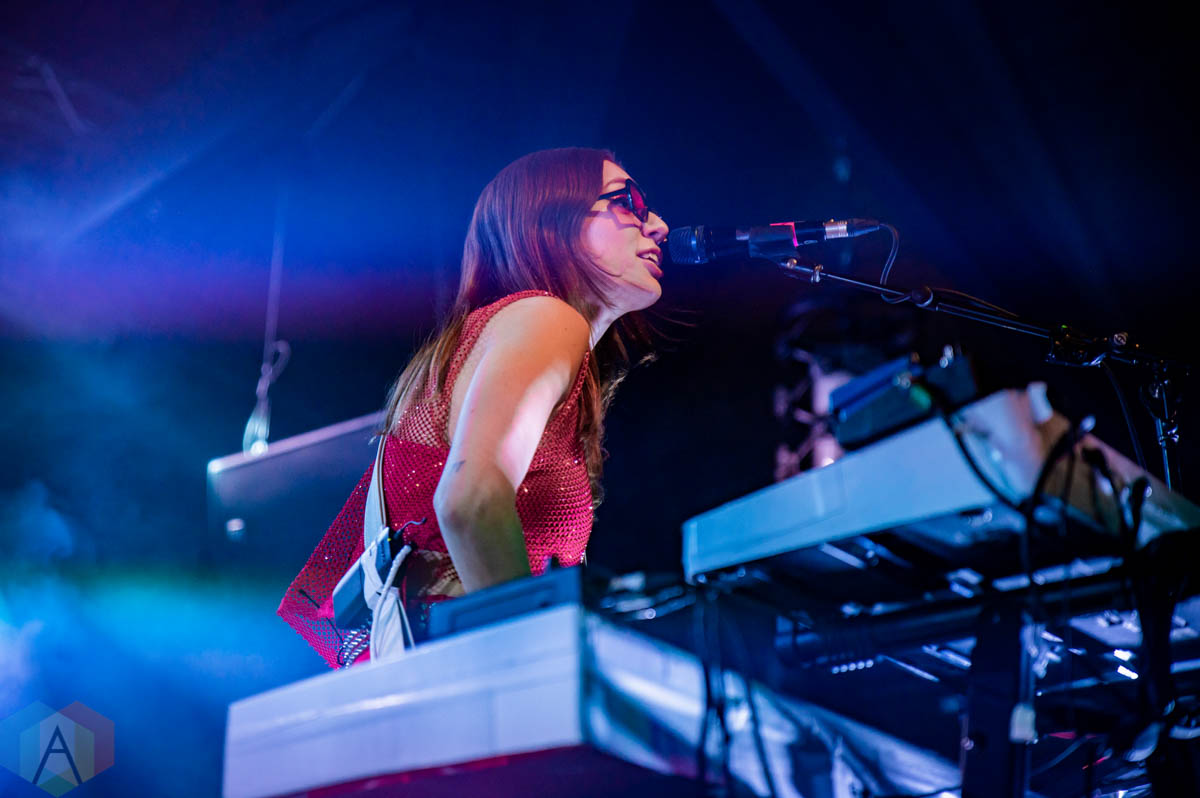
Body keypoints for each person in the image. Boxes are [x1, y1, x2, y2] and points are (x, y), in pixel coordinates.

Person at [278, 148, 669, 667]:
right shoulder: (550, 319)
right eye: (627, 202)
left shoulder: (492, 336)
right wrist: (530, 665)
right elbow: (470, 500)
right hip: (461, 673)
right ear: (550, 220)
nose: (658, 225)